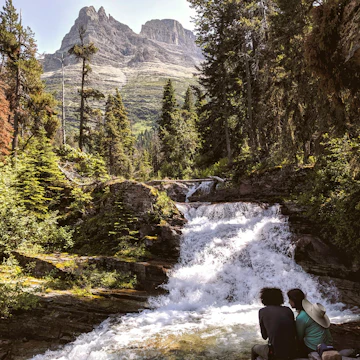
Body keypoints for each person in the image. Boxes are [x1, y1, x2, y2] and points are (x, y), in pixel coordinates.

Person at [251, 288, 296, 360]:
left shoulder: (262, 311)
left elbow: (264, 336)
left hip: (274, 352)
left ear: (263, 299)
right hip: (292, 351)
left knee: (254, 349)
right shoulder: (288, 310)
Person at [287, 288, 333, 357]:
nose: (288, 302)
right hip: (326, 344)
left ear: (294, 301)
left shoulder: (301, 317)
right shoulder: (315, 312)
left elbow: (299, 336)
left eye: (290, 300)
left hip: (313, 347)